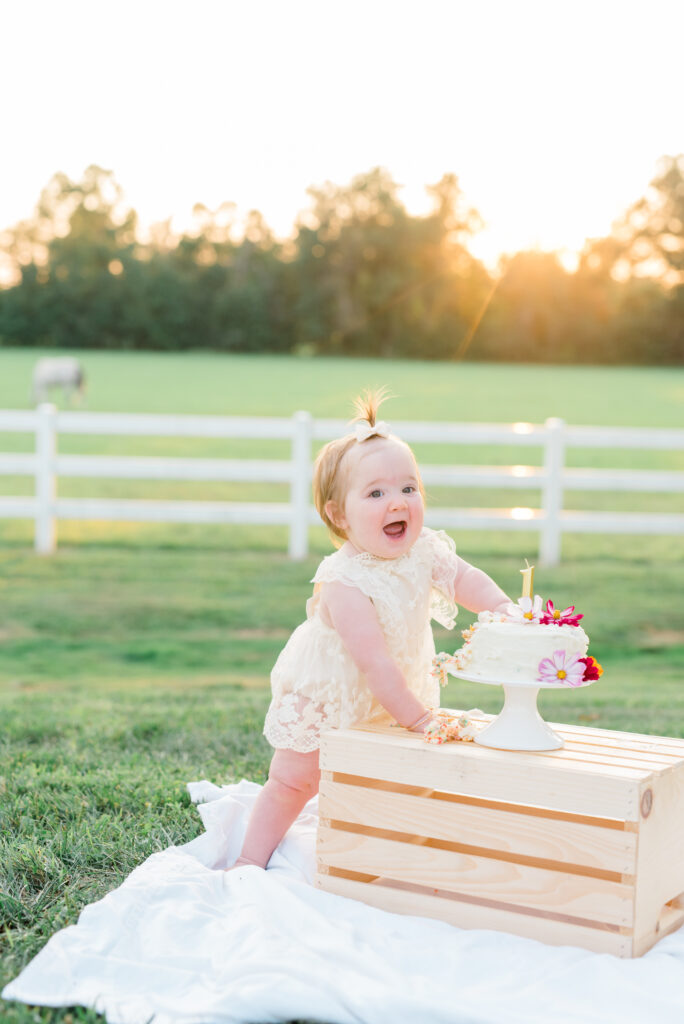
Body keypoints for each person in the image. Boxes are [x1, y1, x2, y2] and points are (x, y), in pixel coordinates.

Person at [231, 390, 511, 870]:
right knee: (295, 779)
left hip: (396, 686)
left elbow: (464, 579)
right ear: (340, 515)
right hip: (330, 689)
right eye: (376, 493)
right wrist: (420, 719)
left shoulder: (424, 549)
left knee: (393, 773)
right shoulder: (343, 582)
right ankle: (248, 858)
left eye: (408, 488)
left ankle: (387, 849)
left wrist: (502, 607)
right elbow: (374, 663)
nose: (397, 502)